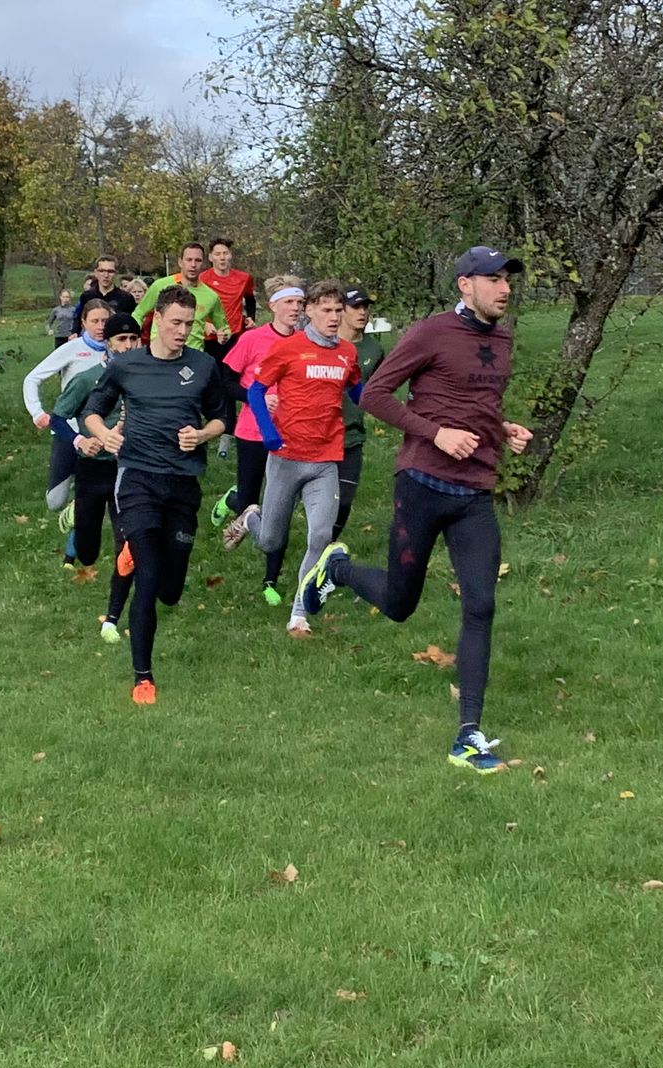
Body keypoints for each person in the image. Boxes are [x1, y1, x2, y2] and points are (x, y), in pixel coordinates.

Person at [299, 247, 534, 774]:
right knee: (400, 605)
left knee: (481, 606)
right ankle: (336, 569)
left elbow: (477, 405)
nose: (504, 289)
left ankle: (468, 735)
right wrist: (436, 433)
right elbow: (375, 395)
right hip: (423, 485)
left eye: (507, 280)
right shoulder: (430, 332)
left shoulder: (501, 338)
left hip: (474, 493)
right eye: (493, 279)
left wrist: (503, 429)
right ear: (465, 284)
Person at [81, 285, 230, 705]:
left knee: (170, 590)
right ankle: (143, 677)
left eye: (189, 324)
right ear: (157, 320)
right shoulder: (127, 365)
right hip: (139, 480)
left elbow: (222, 418)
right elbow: (91, 411)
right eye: (176, 323)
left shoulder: (203, 365)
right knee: (147, 578)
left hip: (182, 482)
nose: (182, 331)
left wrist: (201, 434)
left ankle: (137, 551)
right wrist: (104, 434)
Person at [225, 280, 362, 638]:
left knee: (320, 535)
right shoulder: (288, 349)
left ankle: (299, 615)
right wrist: (268, 431)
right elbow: (256, 390)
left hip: (325, 459)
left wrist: (384, 399)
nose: (334, 317)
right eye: (327, 310)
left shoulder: (347, 352)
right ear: (310, 311)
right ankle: (250, 517)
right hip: (286, 457)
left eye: (339, 311)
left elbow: (357, 389)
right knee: (271, 541)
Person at [208, 275, 307, 604]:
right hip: (252, 432)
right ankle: (232, 501)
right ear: (273, 305)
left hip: (290, 435)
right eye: (289, 302)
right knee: (250, 501)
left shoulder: (306, 342)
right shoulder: (252, 339)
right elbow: (226, 381)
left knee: (280, 506)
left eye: (300, 302)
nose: (296, 308)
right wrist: (258, 398)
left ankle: (270, 580)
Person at [49, 311, 145, 642]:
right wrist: (81, 440)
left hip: (128, 471)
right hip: (91, 469)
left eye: (133, 339)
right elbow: (58, 418)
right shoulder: (88, 378)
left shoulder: (146, 379)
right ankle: (76, 515)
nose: (128, 345)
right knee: (87, 553)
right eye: (121, 339)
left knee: (126, 543)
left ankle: (116, 615)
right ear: (108, 343)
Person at [20, 297, 113, 563]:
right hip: (69, 432)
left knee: (101, 495)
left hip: (103, 436)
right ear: (83, 322)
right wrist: (38, 412)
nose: (100, 327)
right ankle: (74, 509)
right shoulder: (72, 349)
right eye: (94, 321)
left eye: (105, 321)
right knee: (55, 501)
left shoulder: (118, 351)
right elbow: (32, 378)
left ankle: (72, 553)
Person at [334, 287, 387, 540]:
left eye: (365, 307)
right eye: (356, 307)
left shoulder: (374, 349)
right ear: (341, 310)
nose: (362, 312)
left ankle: (324, 550)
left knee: (343, 503)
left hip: (352, 435)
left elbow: (378, 389)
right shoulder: (325, 341)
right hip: (317, 435)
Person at [200, 237, 258, 457]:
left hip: (234, 337)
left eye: (225, 253)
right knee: (208, 381)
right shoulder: (203, 279)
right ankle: (210, 421)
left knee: (229, 382)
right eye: (218, 254)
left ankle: (228, 431)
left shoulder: (243, 278)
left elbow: (250, 299)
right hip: (209, 337)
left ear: (230, 256)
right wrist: (205, 324)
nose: (222, 258)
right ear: (211, 257)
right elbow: (196, 304)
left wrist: (250, 318)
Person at [135, 242, 225, 346]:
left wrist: (224, 334)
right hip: (161, 351)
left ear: (203, 264)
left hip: (193, 352)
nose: (193, 265)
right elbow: (138, 313)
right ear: (180, 262)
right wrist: (135, 336)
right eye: (189, 260)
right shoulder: (159, 286)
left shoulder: (211, 296)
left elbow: (223, 327)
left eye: (198, 260)